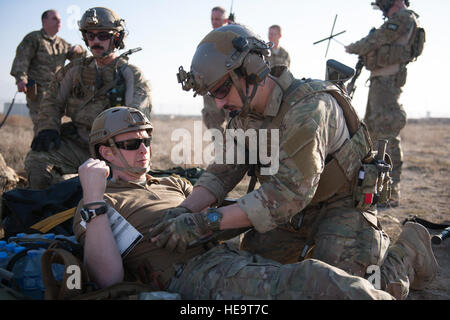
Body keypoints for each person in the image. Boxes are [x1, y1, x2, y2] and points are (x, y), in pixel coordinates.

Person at [74, 106, 437, 300]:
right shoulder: (103, 203)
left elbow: (220, 210)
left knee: (342, 280)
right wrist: (92, 196)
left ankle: (407, 253)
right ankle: (407, 253)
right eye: (130, 144)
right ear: (105, 152)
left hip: (231, 256)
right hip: (197, 275)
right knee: (316, 282)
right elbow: (108, 277)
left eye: (146, 141)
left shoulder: (174, 183)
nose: (144, 151)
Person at [24, 7, 152, 190]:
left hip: (117, 149)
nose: (95, 41)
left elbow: (138, 123)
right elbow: (52, 101)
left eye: (103, 35)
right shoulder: (74, 71)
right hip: (78, 143)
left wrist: (117, 152)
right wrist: (47, 128)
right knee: (37, 163)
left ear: (117, 38)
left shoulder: (131, 75)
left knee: (120, 190)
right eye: (90, 36)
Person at [345, 0, 424, 207]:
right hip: (381, 81)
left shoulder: (404, 18)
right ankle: (375, 188)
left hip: (387, 83)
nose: (383, 10)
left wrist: (354, 47)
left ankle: (390, 192)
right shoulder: (401, 19)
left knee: (387, 133)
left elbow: (376, 39)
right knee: (373, 132)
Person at [10, 10, 86, 136]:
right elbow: (22, 59)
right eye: (55, 18)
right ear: (44, 21)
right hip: (37, 91)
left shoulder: (61, 43)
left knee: (55, 124)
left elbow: (79, 59)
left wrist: (80, 49)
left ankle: (50, 152)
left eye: (60, 19)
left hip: (56, 91)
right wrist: (20, 79)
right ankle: (38, 154)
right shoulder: (34, 39)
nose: (59, 21)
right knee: (42, 125)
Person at [201, 7, 231, 132]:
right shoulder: (207, 41)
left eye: (217, 19)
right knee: (214, 127)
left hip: (229, 89)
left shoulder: (232, 37)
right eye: (212, 19)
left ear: (225, 20)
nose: (214, 22)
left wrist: (234, 26)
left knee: (235, 126)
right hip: (211, 91)